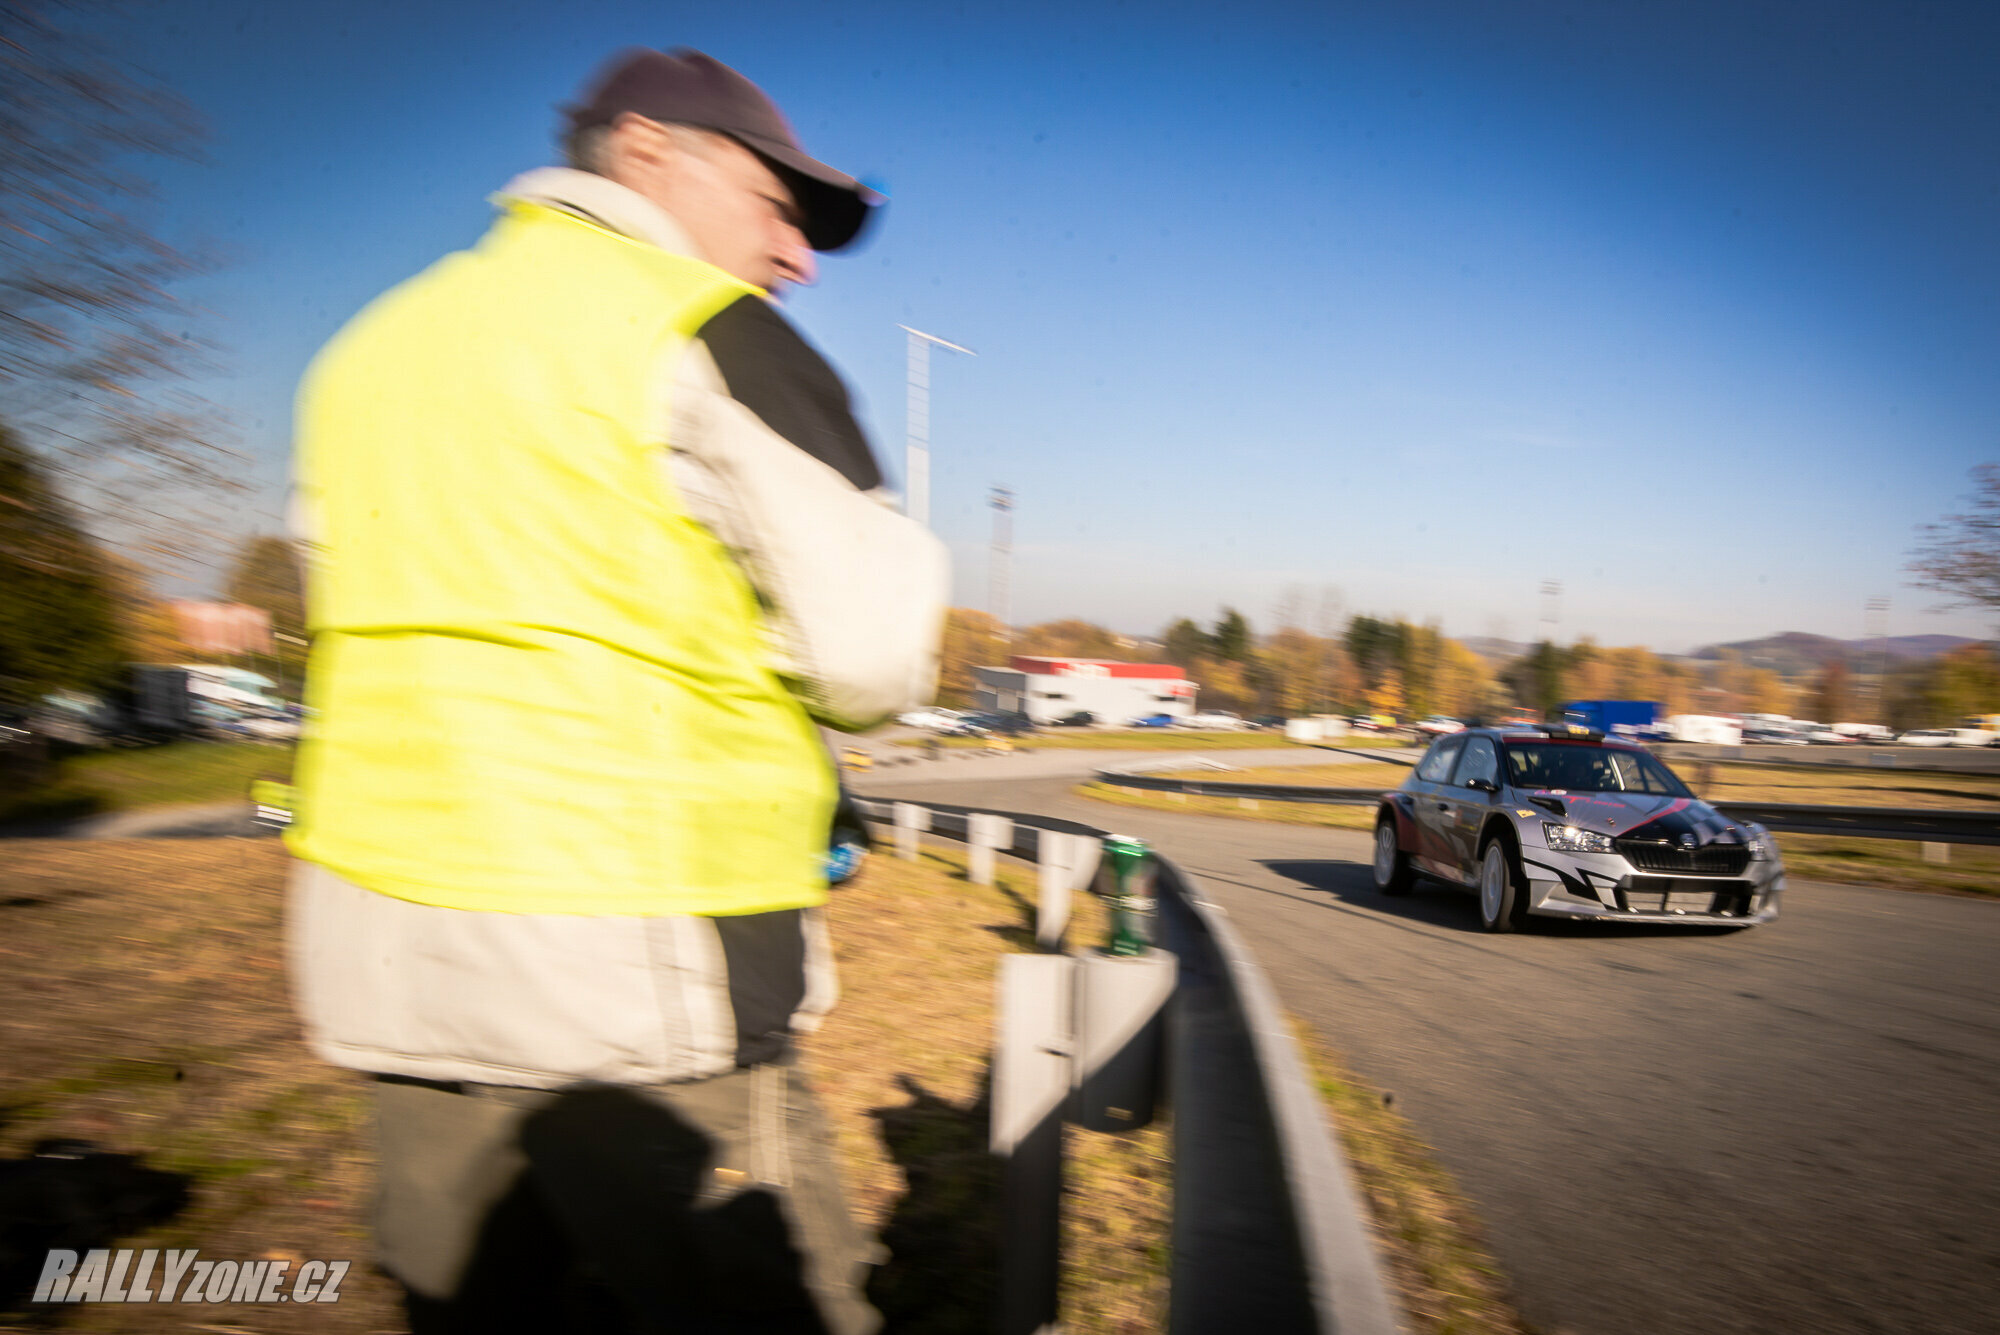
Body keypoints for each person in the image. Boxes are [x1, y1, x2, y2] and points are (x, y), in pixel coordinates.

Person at [284, 48, 946, 1334]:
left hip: (387, 957)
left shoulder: (365, 349)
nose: (798, 257)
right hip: (640, 972)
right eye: (780, 206)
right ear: (646, 151)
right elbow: (873, 657)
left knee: (475, 1301)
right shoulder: (699, 331)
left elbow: (344, 602)